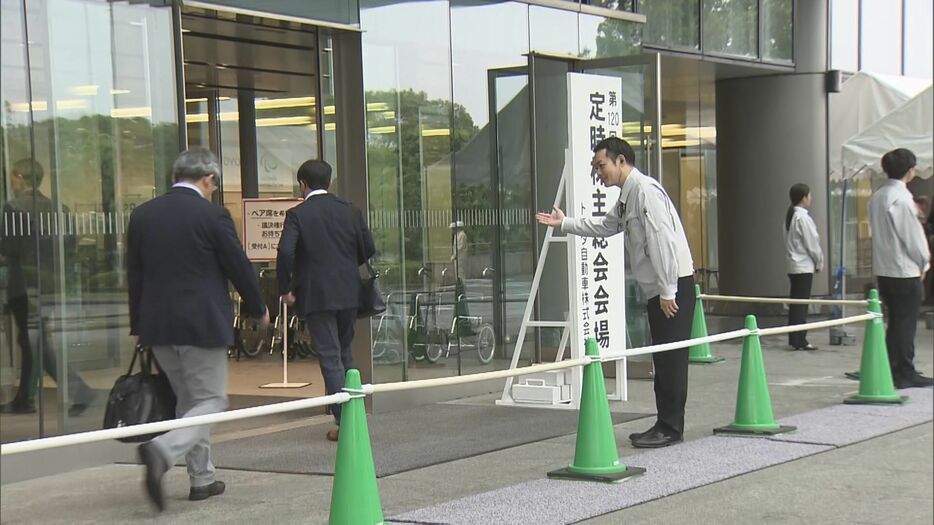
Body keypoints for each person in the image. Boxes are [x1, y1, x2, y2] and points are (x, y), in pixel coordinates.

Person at [128, 148, 269, 511]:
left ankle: (202, 478)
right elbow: (238, 267)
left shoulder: (143, 215)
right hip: (201, 324)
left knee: (189, 403)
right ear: (207, 179)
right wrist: (258, 309)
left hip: (157, 326)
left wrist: (137, 324)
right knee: (211, 400)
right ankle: (162, 450)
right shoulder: (212, 215)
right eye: (214, 184)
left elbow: (135, 275)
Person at [537, 137, 695, 448]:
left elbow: (663, 242)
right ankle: (664, 423)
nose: (599, 173)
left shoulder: (645, 192)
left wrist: (667, 291)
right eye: (596, 167)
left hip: (672, 287)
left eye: (602, 165)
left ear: (621, 160)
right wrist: (565, 222)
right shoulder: (628, 196)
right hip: (663, 289)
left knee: (671, 359)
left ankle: (671, 428)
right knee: (662, 358)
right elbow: (606, 226)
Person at [277, 159, 374, 442]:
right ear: (329, 183)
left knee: (330, 357)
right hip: (349, 293)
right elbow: (367, 248)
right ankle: (354, 414)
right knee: (345, 353)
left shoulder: (298, 214)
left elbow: (285, 253)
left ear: (303, 185)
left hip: (317, 294)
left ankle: (346, 422)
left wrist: (286, 288)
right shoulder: (350, 211)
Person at [0, 159, 95, 416]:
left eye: (13, 177)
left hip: (24, 285)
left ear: (19, 177)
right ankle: (29, 397)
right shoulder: (59, 209)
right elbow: (70, 245)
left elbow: (8, 249)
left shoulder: (13, 208)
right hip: (51, 283)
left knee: (33, 339)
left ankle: (74, 392)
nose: (12, 182)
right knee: (34, 339)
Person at [868, 148, 933, 389]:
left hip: (884, 269)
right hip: (904, 269)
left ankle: (893, 368)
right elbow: (913, 237)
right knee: (905, 323)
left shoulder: (877, 196)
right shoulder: (902, 199)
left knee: (894, 321)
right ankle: (905, 371)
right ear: (909, 170)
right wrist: (924, 261)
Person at [783, 183, 824, 350]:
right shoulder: (802, 218)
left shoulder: (790, 216)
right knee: (801, 304)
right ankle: (800, 339)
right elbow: (812, 243)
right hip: (803, 265)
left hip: (794, 265)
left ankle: (795, 337)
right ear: (804, 197)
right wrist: (819, 261)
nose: (810, 198)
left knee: (796, 303)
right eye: (809, 195)